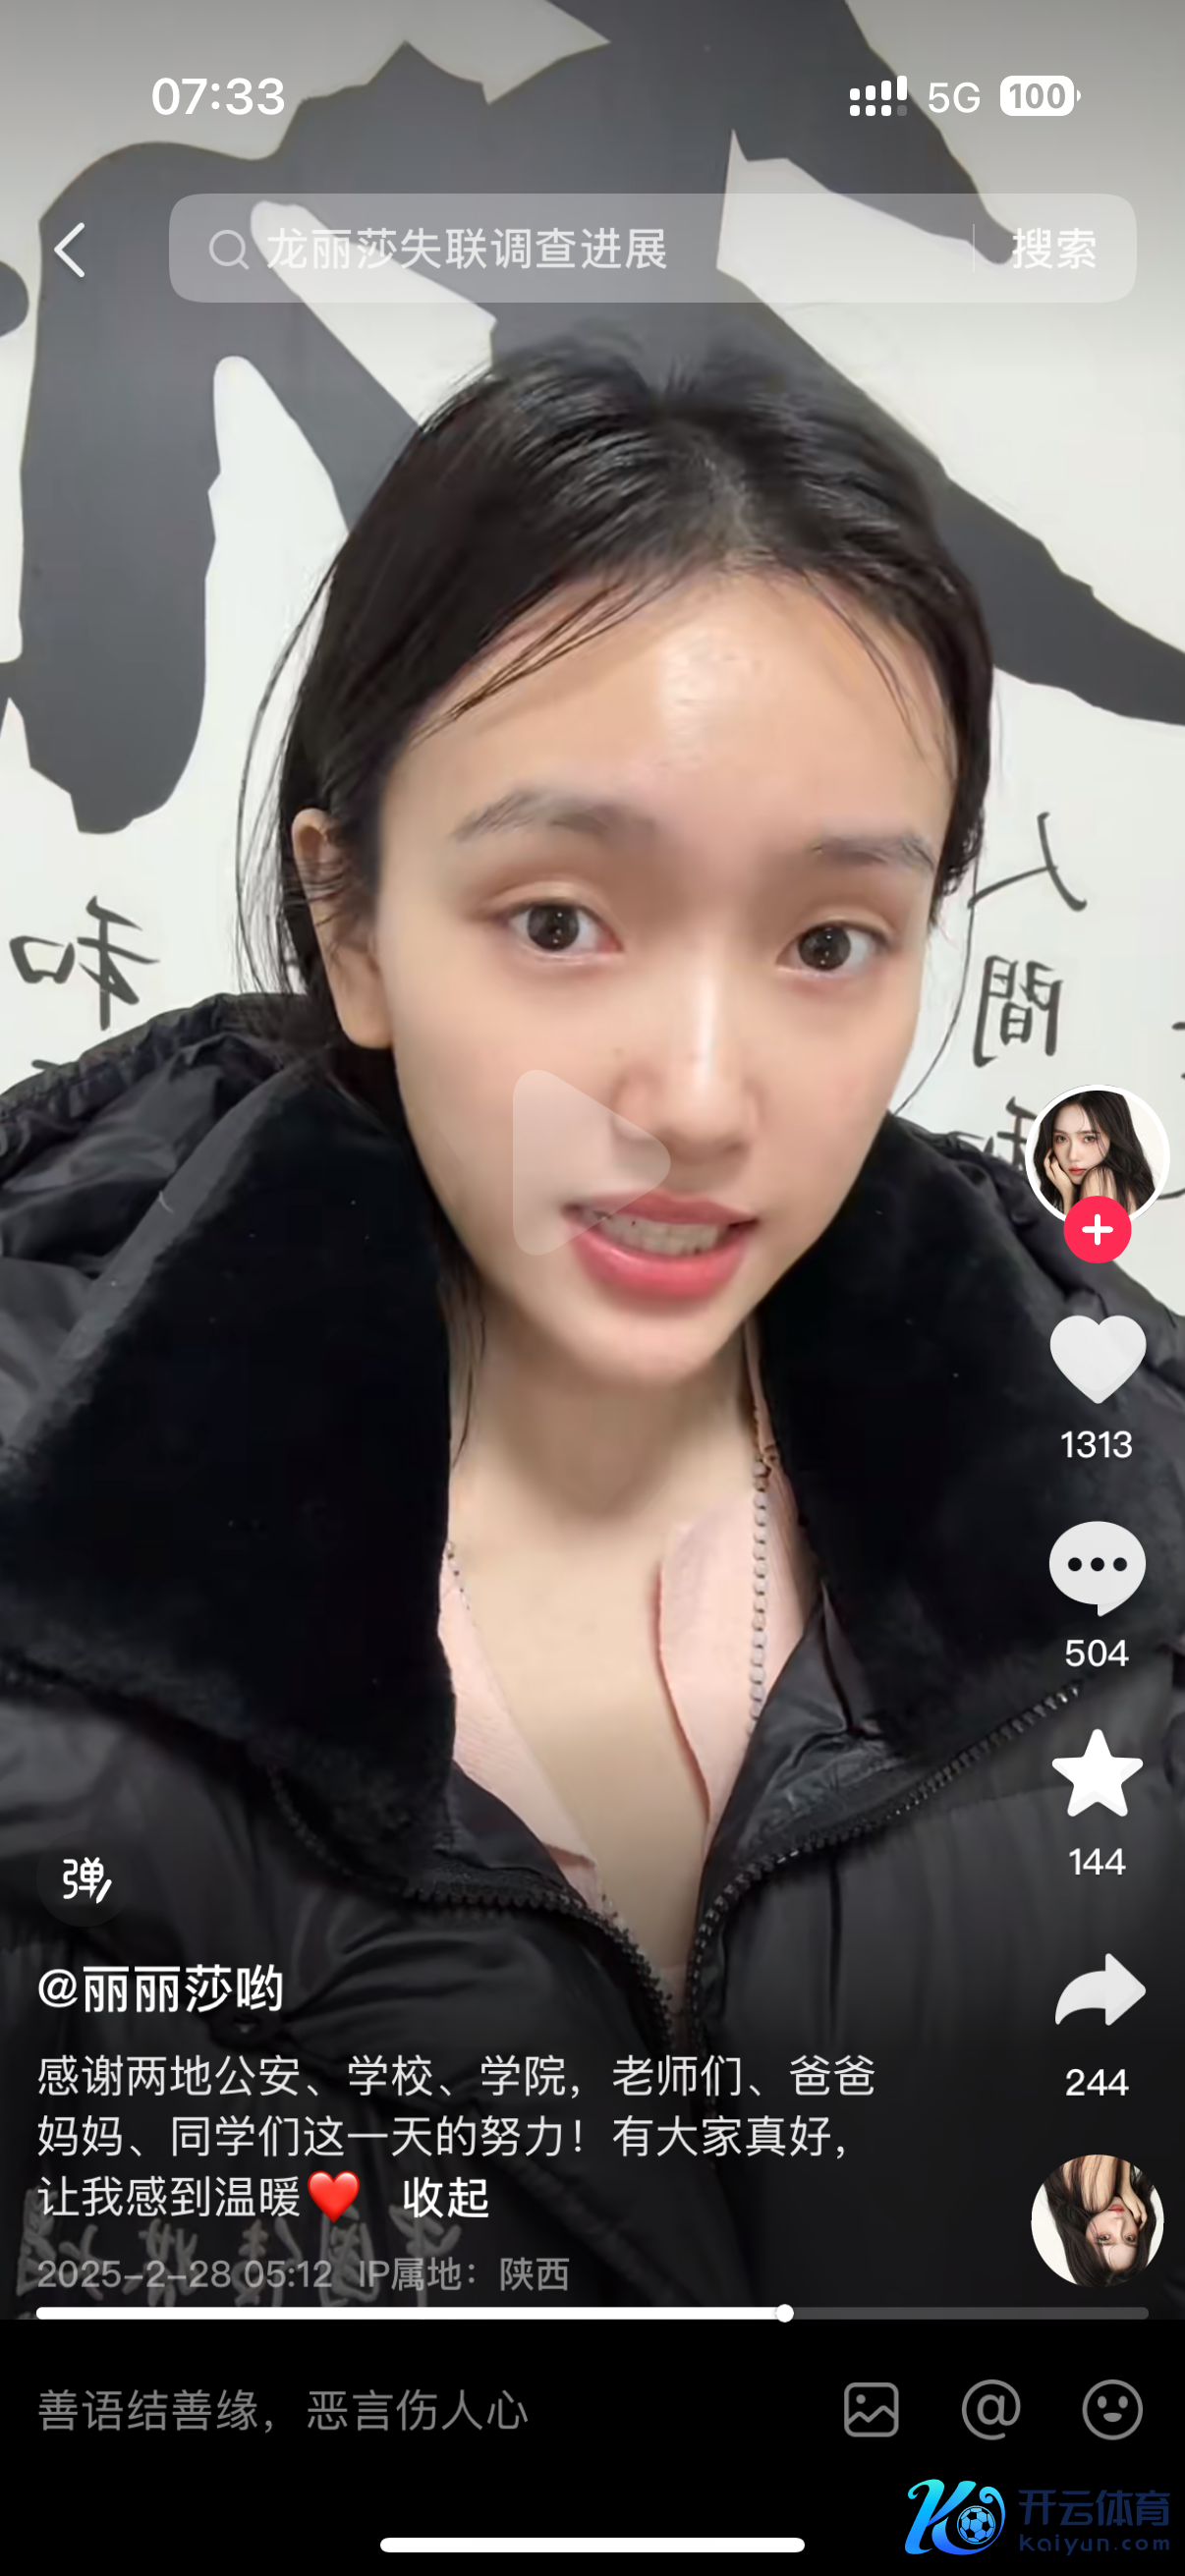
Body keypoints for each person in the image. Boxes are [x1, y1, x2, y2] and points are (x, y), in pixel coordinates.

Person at [1, 343, 1183, 2317]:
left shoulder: (1126, 1543)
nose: (702, 1098)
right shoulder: (43, 1566)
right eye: (560, 921)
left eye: (829, 942)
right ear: (353, 923)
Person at [1035, 1091, 1157, 1217]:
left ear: (1114, 1136)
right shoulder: (1125, 1184)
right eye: (1061, 1138)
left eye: (1089, 1138)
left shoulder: (1099, 1179)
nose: (1073, 1156)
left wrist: (1069, 1197)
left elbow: (1080, 1231)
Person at [1043, 2156, 1157, 2285]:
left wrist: (1124, 2184)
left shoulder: (1095, 2200)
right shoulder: (1073, 2198)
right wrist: (1124, 2184)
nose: (1120, 2223)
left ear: (1082, 2243)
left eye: (1104, 2238)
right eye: (1130, 2238)